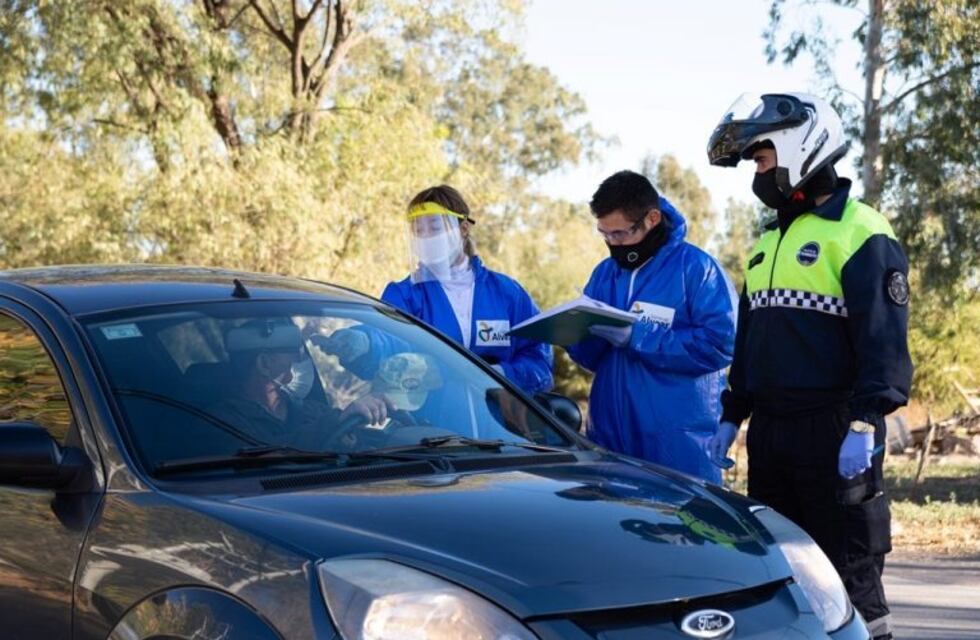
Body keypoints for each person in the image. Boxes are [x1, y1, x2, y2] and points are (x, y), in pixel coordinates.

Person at [705, 92, 912, 640]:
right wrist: (732, 415)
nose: (756, 168)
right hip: (771, 436)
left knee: (849, 577)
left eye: (760, 155)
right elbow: (748, 347)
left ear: (801, 144)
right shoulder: (763, 246)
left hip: (838, 434)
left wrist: (866, 422)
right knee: (780, 577)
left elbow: (883, 344)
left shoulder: (861, 231)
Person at [566, 171, 737, 482]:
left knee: (681, 529)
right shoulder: (605, 273)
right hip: (610, 439)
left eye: (620, 234)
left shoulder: (697, 269)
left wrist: (638, 335)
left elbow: (719, 345)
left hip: (678, 446)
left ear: (652, 218)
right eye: (605, 234)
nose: (612, 243)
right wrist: (572, 334)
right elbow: (590, 358)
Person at [324, 185, 553, 395]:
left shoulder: (506, 293)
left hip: (500, 425)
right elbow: (387, 341)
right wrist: (364, 342)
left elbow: (538, 358)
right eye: (417, 230)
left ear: (463, 229)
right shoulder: (406, 295)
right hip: (432, 429)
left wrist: (499, 376)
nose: (425, 238)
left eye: (434, 227)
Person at [213, 319, 388, 451]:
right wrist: (334, 423)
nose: (303, 361)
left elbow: (358, 444)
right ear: (265, 363)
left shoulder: (311, 410)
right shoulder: (223, 422)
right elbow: (267, 455)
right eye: (295, 354)